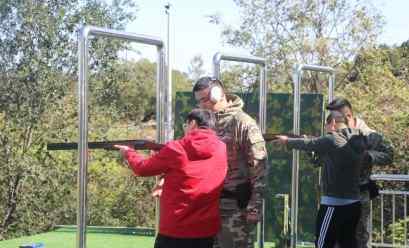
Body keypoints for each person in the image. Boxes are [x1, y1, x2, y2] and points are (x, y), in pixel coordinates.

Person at [115, 108, 228, 248]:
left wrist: (129, 153)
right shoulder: (222, 148)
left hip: (175, 229)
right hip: (206, 229)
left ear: (192, 123)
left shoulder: (176, 148)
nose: (185, 129)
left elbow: (142, 168)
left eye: (186, 125)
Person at [192, 76, 267, 248]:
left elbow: (259, 168)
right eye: (199, 101)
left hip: (234, 207)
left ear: (219, 93)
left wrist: (254, 207)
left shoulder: (242, 123)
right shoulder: (203, 123)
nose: (203, 105)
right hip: (207, 206)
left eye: (205, 99)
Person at [276, 111, 368, 248]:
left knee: (323, 242)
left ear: (333, 123)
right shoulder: (356, 141)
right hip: (353, 203)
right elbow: (322, 158)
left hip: (334, 203)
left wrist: (287, 141)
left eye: (326, 126)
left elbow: (310, 143)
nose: (325, 129)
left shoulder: (332, 139)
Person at [326, 98, 394, 248]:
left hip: (358, 196)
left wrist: (368, 156)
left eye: (337, 119)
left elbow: (389, 154)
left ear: (349, 116)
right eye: (332, 119)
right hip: (335, 195)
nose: (334, 123)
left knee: (359, 237)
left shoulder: (370, 136)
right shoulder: (336, 133)